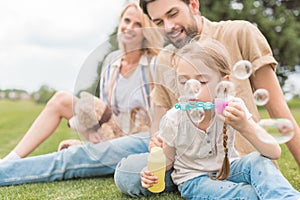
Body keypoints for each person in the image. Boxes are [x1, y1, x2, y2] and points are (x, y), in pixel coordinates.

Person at [114, 0, 300, 197]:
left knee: (259, 163)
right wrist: (156, 151)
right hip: (192, 174)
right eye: (159, 22)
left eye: (173, 13)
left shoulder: (239, 34)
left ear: (194, 5)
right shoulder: (172, 93)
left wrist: (245, 125)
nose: (168, 27)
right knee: (127, 173)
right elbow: (163, 143)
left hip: (232, 165)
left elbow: (278, 126)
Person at [0, 2, 164, 186]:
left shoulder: (155, 64)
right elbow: (106, 109)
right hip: (112, 133)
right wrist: (92, 128)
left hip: (138, 140)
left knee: (68, 156)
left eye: (138, 24)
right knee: (62, 99)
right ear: (120, 23)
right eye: (127, 21)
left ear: (147, 32)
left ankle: (4, 172)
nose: (129, 28)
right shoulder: (112, 61)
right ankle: (9, 160)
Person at [141, 40, 300, 200]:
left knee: (259, 162)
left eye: (201, 82)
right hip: (195, 180)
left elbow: (274, 152)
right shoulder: (174, 119)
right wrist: (152, 171)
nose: (191, 89)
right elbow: (168, 159)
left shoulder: (231, 106)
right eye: (183, 82)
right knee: (247, 194)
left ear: (223, 84)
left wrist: (244, 125)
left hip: (229, 168)